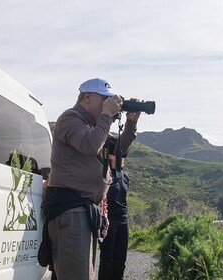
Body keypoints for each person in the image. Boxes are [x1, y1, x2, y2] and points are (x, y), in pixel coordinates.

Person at [39, 78, 138, 280]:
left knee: (81, 273)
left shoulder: (94, 126)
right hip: (70, 209)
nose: (110, 104)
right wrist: (106, 116)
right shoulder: (70, 119)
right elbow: (90, 145)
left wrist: (131, 123)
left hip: (83, 211)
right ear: (87, 97)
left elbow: (120, 150)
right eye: (105, 100)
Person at [98, 109, 139, 280]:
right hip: (109, 219)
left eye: (123, 156)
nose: (122, 157)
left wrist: (133, 121)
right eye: (118, 154)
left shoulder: (124, 175)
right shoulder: (102, 172)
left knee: (120, 259)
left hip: (123, 219)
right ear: (109, 155)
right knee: (107, 259)